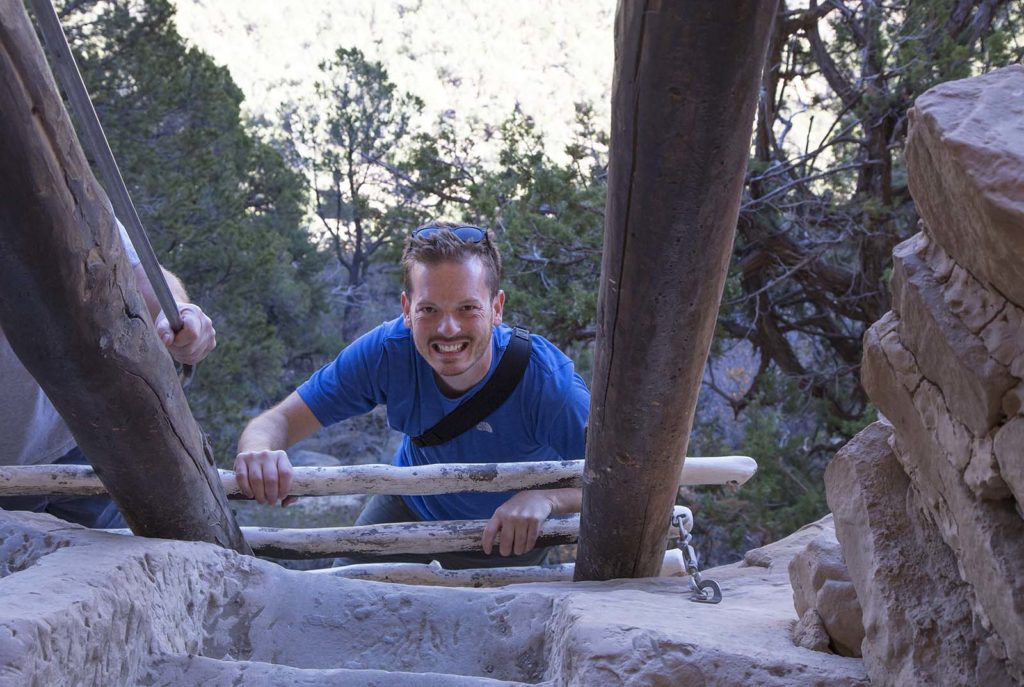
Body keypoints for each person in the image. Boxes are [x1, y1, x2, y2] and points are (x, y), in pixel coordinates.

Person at [235, 222, 589, 568]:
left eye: (468, 308)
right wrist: (259, 454)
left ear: (497, 308)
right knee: (334, 597)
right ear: (406, 309)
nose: (448, 329)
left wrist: (547, 497)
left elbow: (618, 484)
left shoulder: (548, 385)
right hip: (408, 509)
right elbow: (277, 420)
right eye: (429, 310)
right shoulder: (389, 352)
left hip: (509, 538)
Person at [0, 220, 217, 528]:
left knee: (117, 564)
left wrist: (180, 312)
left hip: (83, 443)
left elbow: (135, 272)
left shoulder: (47, 182)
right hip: (7, 468)